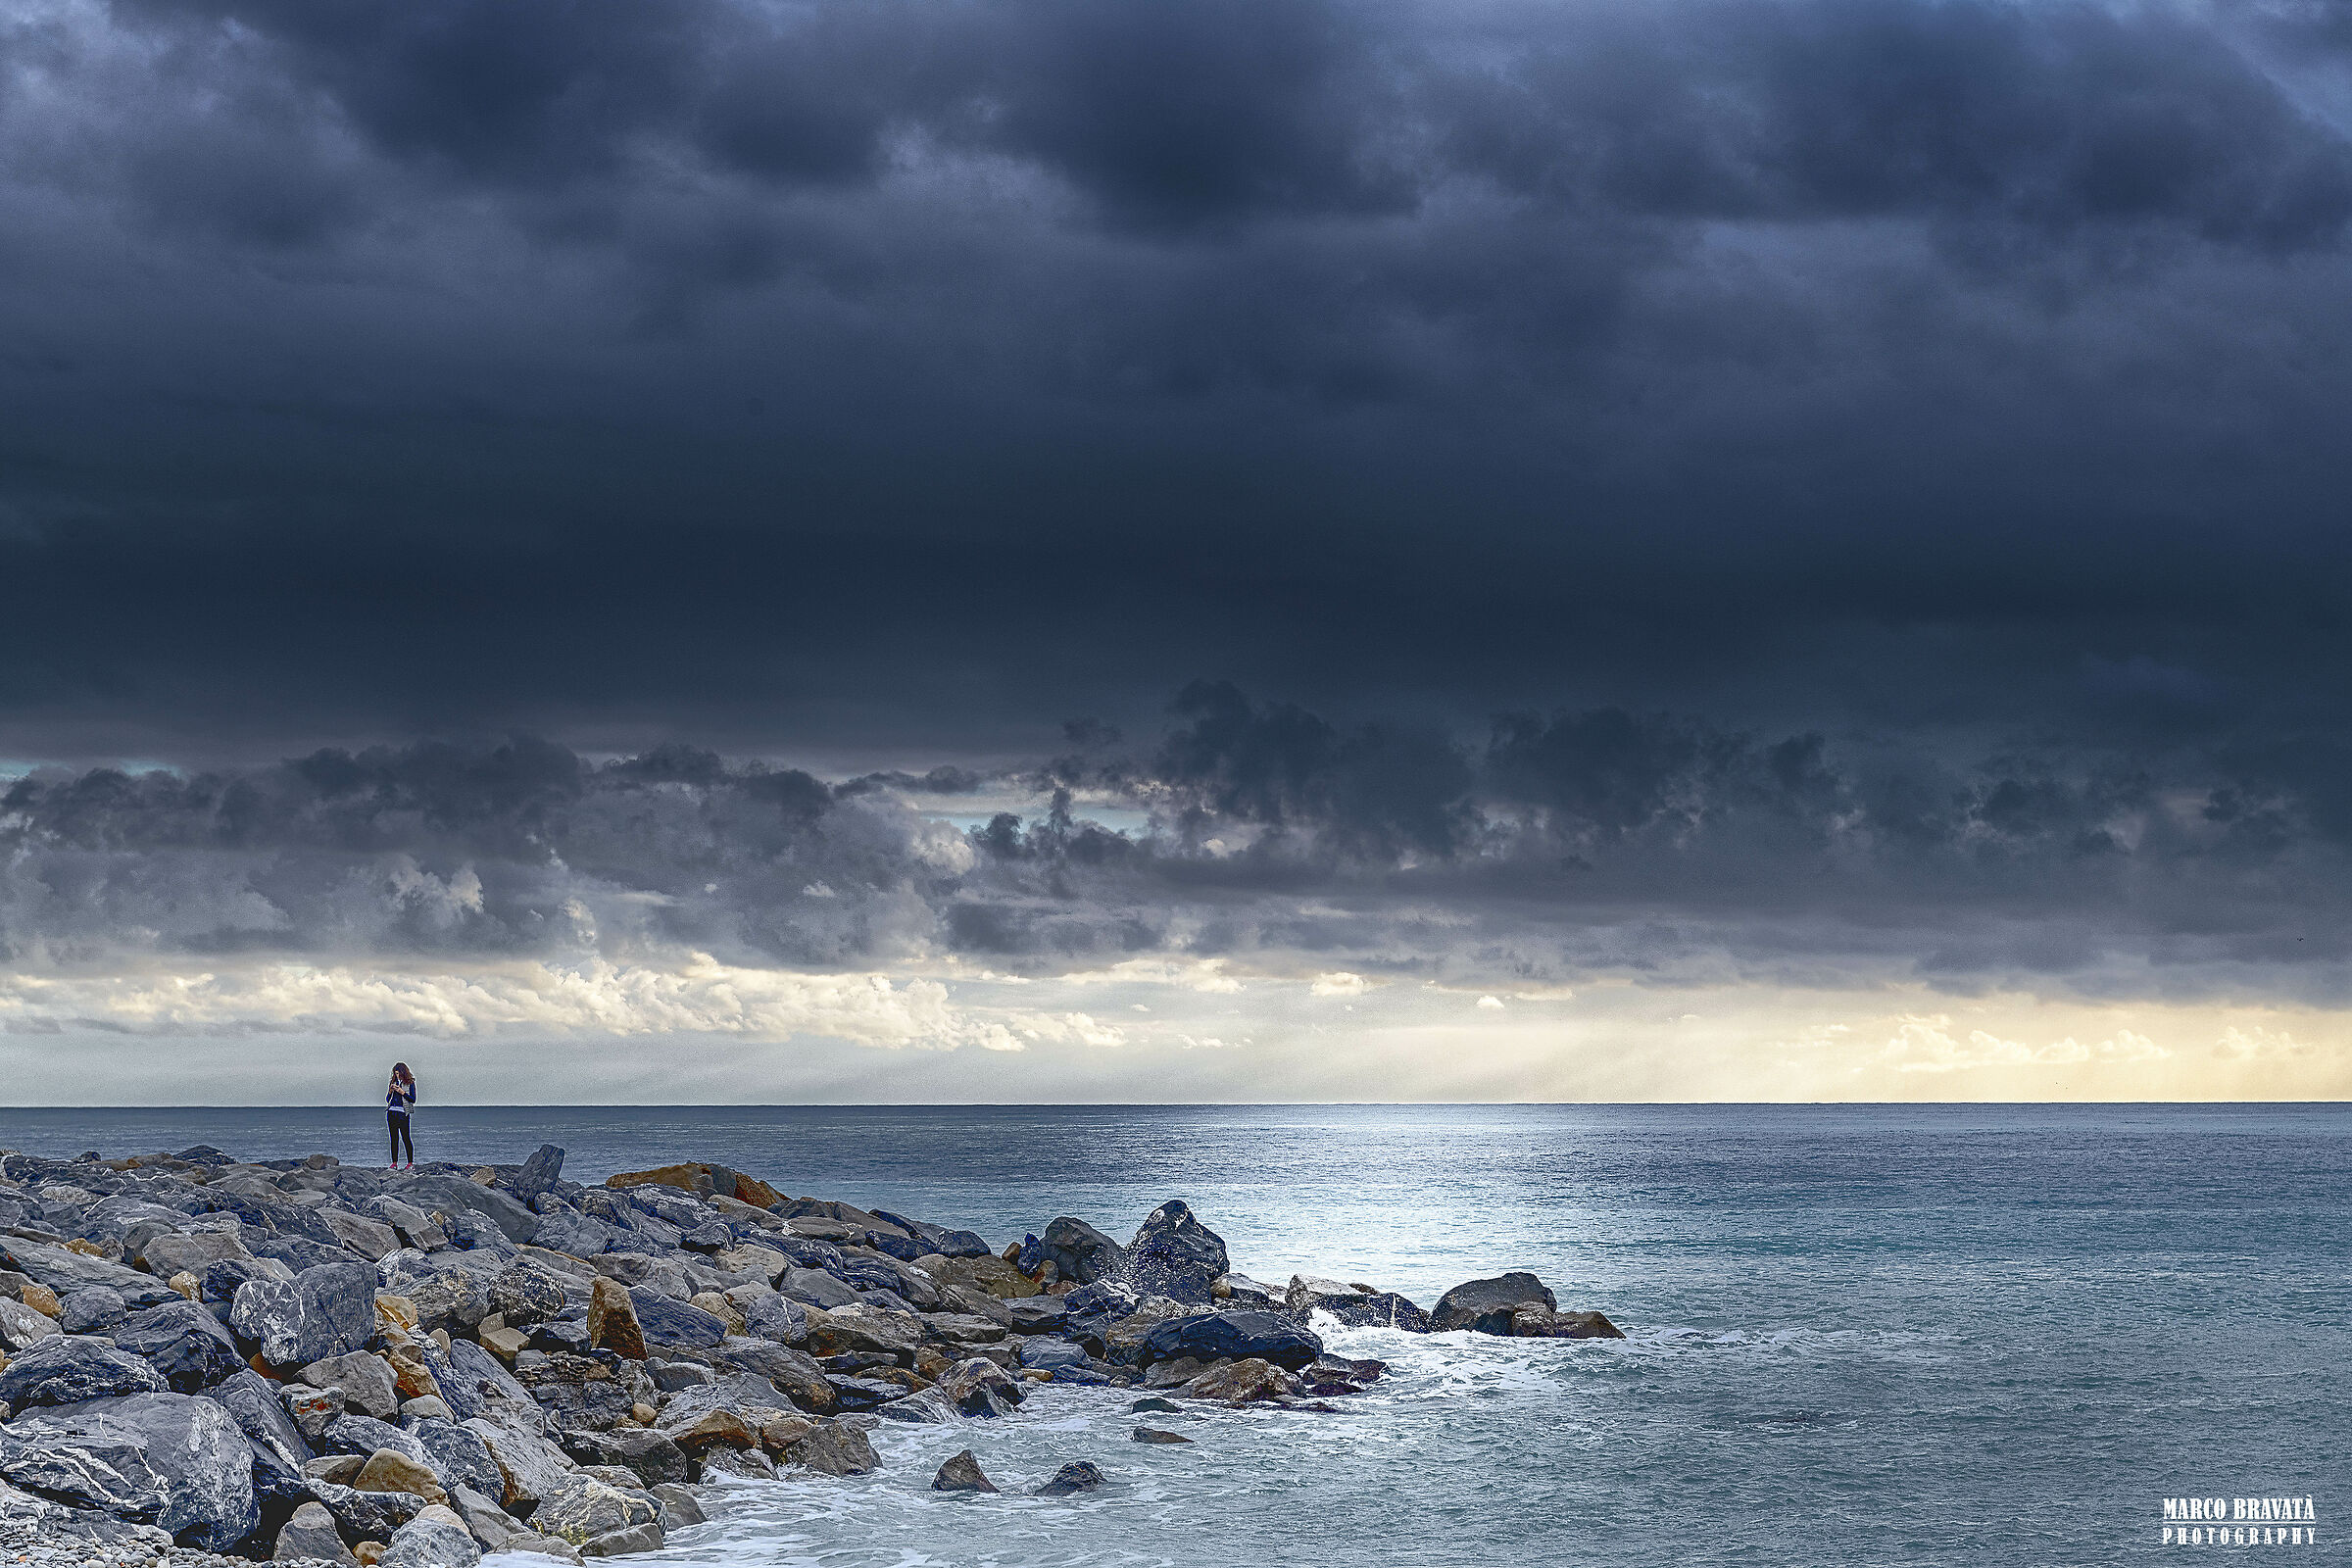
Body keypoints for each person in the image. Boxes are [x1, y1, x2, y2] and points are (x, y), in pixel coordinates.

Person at [387, 1062, 417, 1169]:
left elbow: (413, 1099)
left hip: (403, 1114)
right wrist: (390, 1091)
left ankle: (410, 1163)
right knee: (394, 1139)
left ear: (403, 1072)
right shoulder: (393, 1082)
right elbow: (387, 1100)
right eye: (395, 1074)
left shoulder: (410, 1083)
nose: (397, 1076)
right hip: (392, 1113)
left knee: (406, 1138)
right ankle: (394, 1163)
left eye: (398, 1073)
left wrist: (402, 1092)